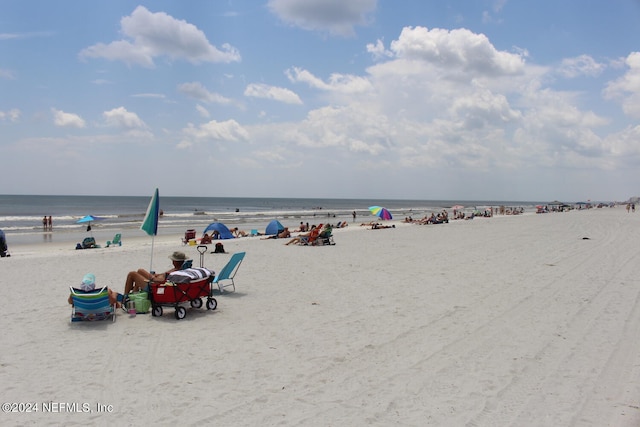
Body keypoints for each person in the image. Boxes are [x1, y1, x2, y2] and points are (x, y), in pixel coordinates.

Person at [123, 251, 188, 295]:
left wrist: (153, 278)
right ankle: (134, 291)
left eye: (173, 260)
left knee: (132, 274)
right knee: (140, 271)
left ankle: (125, 296)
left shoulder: (175, 272)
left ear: (175, 261)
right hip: (156, 282)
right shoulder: (178, 269)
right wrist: (157, 275)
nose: (172, 261)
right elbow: (164, 275)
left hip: (155, 286)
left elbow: (163, 281)